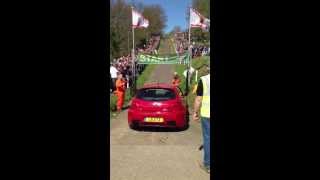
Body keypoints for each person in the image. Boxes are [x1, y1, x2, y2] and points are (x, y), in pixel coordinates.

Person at [192, 65, 210, 174]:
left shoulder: (204, 80)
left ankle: (208, 164)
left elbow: (198, 99)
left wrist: (195, 112)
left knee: (207, 138)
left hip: (207, 114)